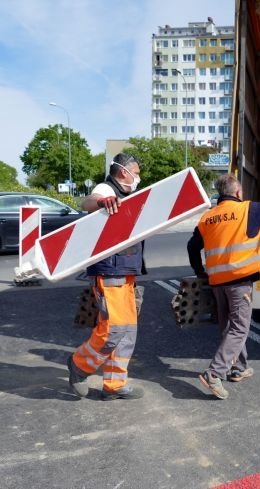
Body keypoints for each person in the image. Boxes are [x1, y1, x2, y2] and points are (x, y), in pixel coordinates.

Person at [187, 173, 260, 399]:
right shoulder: (247, 210)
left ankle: (239, 368)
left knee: (229, 326)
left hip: (217, 282)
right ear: (237, 193)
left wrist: (199, 272)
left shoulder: (207, 218)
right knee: (239, 327)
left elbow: (192, 247)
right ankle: (214, 373)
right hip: (239, 281)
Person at [66, 153, 146, 401]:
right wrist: (102, 203)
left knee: (127, 331)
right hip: (109, 271)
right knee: (113, 329)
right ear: (124, 171)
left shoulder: (128, 195)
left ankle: (114, 384)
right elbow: (88, 201)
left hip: (126, 272)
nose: (138, 175)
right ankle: (79, 366)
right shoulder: (106, 189)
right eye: (136, 170)